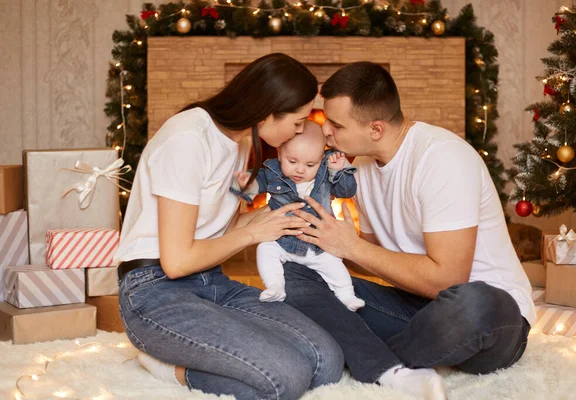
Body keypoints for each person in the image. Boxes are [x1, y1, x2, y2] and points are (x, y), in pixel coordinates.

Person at [283, 62, 535, 399]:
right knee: (291, 271)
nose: (325, 131)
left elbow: (448, 280)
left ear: (375, 129)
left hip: (488, 319)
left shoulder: (443, 158)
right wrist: (323, 240)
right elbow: (375, 258)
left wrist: (351, 247)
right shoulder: (360, 168)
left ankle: (359, 355)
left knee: (476, 301)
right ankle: (385, 365)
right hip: (415, 309)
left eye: (336, 125)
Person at [113, 53, 344, 400]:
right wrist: (254, 233)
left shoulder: (243, 141)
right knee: (284, 379)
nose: (301, 130)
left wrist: (281, 215)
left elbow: (228, 223)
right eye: (297, 121)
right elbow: (177, 262)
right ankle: (167, 367)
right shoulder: (188, 139)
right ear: (268, 112)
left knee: (327, 361)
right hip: (154, 289)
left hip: (211, 279)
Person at [231, 121, 365, 311]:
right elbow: (258, 182)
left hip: (318, 244)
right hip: (283, 241)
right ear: (279, 155)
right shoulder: (273, 171)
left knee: (335, 265)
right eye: (292, 162)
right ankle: (275, 285)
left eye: (310, 164)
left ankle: (346, 295)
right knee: (265, 249)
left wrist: (338, 172)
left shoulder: (327, 171)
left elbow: (347, 191)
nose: (300, 170)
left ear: (321, 160)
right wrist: (247, 182)